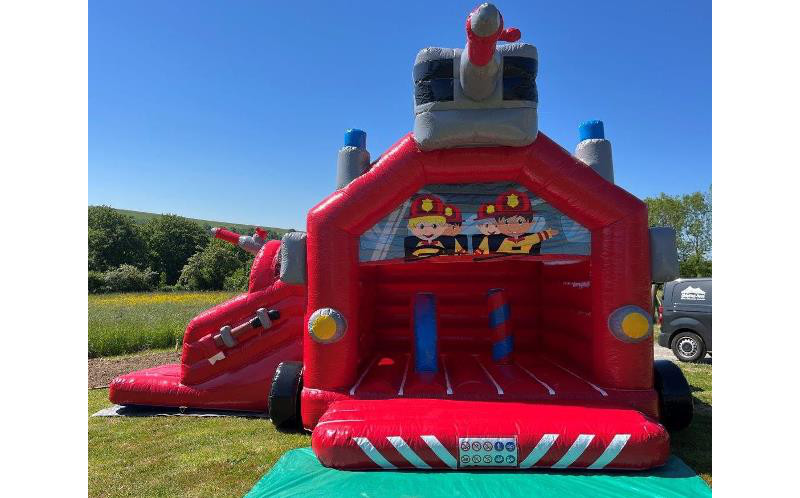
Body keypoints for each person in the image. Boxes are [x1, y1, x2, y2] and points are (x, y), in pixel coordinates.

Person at [493, 190, 559, 254]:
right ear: (497, 224)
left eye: (520, 221)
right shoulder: (499, 241)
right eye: (507, 222)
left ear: (530, 223)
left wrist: (549, 233)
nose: (513, 226)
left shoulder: (528, 239)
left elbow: (538, 237)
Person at [404, 195, 449, 259]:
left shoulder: (443, 243)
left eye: (434, 226)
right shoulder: (413, 245)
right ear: (410, 227)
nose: (428, 230)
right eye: (421, 226)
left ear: (444, 226)